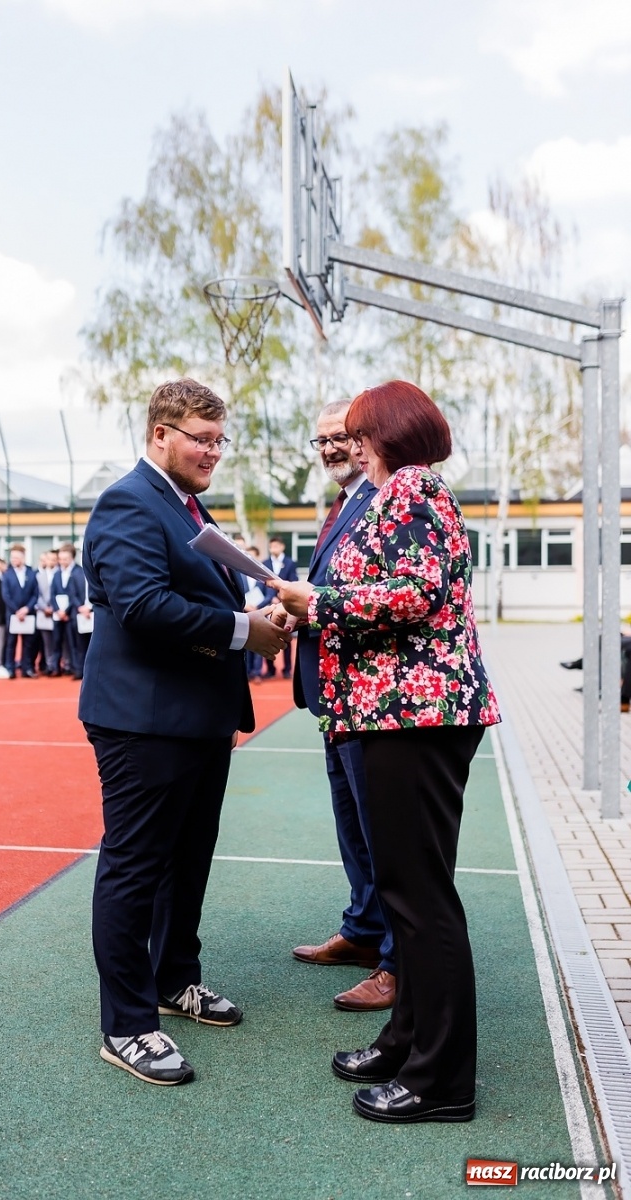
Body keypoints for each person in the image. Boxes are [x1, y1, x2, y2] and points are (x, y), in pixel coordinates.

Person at [270, 380, 500, 1125]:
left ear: (389, 432)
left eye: (361, 431)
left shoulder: (412, 487)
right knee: (407, 896)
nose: (352, 442)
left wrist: (317, 604)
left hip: (416, 717)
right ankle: (406, 1041)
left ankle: (442, 1082)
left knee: (422, 901)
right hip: (397, 716)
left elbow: (416, 594)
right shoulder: (401, 490)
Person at [79, 377, 289, 1087]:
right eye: (201, 438)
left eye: (219, 440)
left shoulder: (185, 506)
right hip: (143, 722)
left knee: (187, 862)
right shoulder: (127, 502)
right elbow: (141, 605)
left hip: (197, 720)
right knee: (136, 867)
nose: (213, 451)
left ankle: (176, 980)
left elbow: (195, 594)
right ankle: (128, 1025)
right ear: (159, 434)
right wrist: (243, 631)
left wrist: (259, 615)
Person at [290, 399, 395, 1013]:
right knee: (352, 822)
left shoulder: (388, 500)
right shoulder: (345, 502)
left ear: (366, 440)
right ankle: (363, 929)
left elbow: (379, 595)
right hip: (334, 693)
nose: (330, 448)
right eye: (321, 439)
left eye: (341, 437)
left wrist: (313, 604)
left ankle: (391, 958)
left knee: (380, 830)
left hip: (369, 694)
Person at [51, 543, 90, 682]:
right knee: (73, 644)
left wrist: (87, 608)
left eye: (65, 558)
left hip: (82, 613)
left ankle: (85, 670)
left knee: (84, 644)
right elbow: (66, 594)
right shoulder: (56, 574)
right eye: (60, 558)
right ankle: (77, 669)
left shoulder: (79, 572)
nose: (62, 561)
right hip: (73, 613)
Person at [262, 536, 298, 679]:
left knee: (286, 635)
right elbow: (263, 582)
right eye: (272, 546)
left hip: (286, 604)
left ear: (282, 546)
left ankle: (287, 669)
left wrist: (283, 597)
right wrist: (270, 597)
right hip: (269, 604)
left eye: (277, 545)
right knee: (267, 635)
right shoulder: (265, 563)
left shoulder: (290, 563)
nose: (274, 548)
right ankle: (270, 669)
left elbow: (293, 581)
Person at [1, 544, 39, 678]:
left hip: (28, 614)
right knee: (11, 643)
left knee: (28, 643)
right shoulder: (7, 574)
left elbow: (35, 594)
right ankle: (10, 668)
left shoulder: (31, 573)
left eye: (16, 557)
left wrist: (27, 608)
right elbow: (5, 595)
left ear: (23, 558)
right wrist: (17, 610)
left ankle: (26, 668)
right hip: (13, 615)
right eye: (12, 557)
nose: (14, 560)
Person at [242, 544, 268, 684]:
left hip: (260, 612)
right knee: (245, 643)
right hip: (244, 613)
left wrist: (258, 607)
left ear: (257, 556)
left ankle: (257, 673)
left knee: (259, 642)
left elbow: (269, 595)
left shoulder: (263, 575)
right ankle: (246, 672)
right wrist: (246, 606)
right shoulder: (238, 573)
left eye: (253, 554)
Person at [35, 548, 61, 676]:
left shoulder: (60, 574)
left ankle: (63, 665)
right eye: (49, 559)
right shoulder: (39, 576)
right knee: (47, 642)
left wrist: (54, 608)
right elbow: (37, 594)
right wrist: (44, 607)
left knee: (60, 641)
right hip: (43, 612)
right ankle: (50, 666)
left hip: (58, 613)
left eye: (54, 559)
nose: (51, 561)